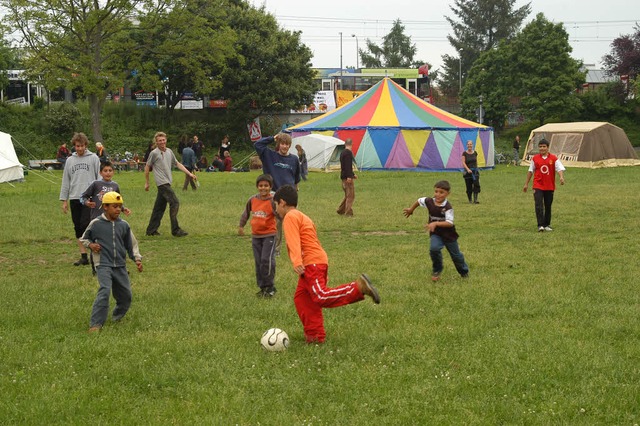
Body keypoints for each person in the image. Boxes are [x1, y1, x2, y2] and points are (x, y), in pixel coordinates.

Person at [274, 184, 380, 344]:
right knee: (302, 299)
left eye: (276, 206)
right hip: (317, 260)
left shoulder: (290, 217)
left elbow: (293, 239)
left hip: (311, 263)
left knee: (320, 296)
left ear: (282, 202)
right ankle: (315, 336)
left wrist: (297, 260)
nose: (276, 210)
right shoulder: (303, 216)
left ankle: (358, 288)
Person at [80, 192, 142, 333]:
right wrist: (91, 245)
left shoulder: (124, 225)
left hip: (120, 264)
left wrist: (137, 259)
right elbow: (84, 238)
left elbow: (131, 244)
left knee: (126, 296)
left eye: (120, 207)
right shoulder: (96, 224)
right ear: (105, 207)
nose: (118, 210)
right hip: (103, 263)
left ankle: (116, 317)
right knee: (105, 291)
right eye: (115, 206)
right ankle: (96, 324)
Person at [403, 180, 469, 282]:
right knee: (434, 249)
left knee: (456, 256)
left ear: (448, 194)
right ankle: (437, 270)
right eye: (436, 191)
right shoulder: (429, 201)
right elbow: (419, 200)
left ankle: (464, 272)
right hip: (436, 233)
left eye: (441, 192)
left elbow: (449, 223)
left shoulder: (447, 207)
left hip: (449, 235)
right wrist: (411, 210)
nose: (438, 194)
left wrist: (435, 223)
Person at [255, 133, 301, 255]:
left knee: (293, 222)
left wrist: (296, 191)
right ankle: (275, 250)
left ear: (290, 146)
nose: (284, 146)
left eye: (287, 144)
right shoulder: (269, 156)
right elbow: (257, 144)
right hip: (275, 193)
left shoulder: (294, 159)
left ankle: (296, 249)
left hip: (290, 194)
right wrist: (272, 138)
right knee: (277, 223)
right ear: (278, 144)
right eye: (282, 143)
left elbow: (296, 179)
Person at [59, 132, 101, 266]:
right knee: (77, 227)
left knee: (86, 224)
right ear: (74, 146)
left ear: (86, 145)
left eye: (82, 146)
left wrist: (99, 195)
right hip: (74, 197)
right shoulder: (70, 161)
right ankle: (84, 256)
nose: (80, 149)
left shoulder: (93, 158)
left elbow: (98, 178)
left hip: (88, 198)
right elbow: (66, 180)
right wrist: (64, 200)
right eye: (77, 146)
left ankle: (94, 251)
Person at [144, 131, 196, 237]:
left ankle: (151, 230)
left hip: (167, 182)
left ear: (166, 140)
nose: (162, 142)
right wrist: (147, 183)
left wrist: (189, 173)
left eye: (163, 140)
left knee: (159, 207)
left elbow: (177, 163)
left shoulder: (169, 152)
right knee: (175, 203)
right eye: (159, 141)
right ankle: (175, 230)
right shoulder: (154, 153)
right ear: (156, 142)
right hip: (162, 183)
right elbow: (147, 167)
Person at [238, 174, 278, 297]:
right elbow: (246, 213)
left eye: (266, 186)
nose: (263, 188)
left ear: (270, 187)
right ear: (257, 187)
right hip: (256, 236)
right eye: (260, 186)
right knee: (259, 261)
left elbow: (280, 214)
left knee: (266, 260)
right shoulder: (252, 200)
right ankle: (262, 287)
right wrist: (241, 226)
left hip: (269, 235)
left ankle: (270, 286)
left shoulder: (273, 201)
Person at [523, 139, 566, 232]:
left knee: (548, 205)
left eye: (544, 146)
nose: (542, 148)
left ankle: (546, 224)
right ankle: (540, 225)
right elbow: (530, 171)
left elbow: (559, 168)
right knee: (538, 204)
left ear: (547, 147)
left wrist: (561, 177)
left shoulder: (553, 158)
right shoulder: (535, 158)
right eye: (540, 146)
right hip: (538, 185)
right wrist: (526, 184)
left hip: (549, 186)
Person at [336, 138, 356, 216]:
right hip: (347, 178)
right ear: (351, 144)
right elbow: (348, 166)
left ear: (345, 144)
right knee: (351, 195)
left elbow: (344, 166)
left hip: (343, 176)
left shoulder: (342, 153)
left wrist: (352, 174)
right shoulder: (348, 153)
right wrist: (349, 176)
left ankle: (341, 210)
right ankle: (348, 212)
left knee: (347, 195)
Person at [461, 140, 481, 204]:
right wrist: (467, 169)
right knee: (469, 186)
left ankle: (475, 199)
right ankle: (470, 200)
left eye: (471, 144)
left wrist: (477, 168)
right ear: (466, 145)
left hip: (475, 171)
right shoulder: (464, 153)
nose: (470, 145)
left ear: (472, 145)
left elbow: (476, 161)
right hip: (468, 172)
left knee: (476, 184)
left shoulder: (475, 153)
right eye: (468, 144)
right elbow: (463, 163)